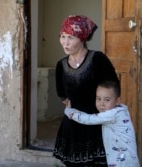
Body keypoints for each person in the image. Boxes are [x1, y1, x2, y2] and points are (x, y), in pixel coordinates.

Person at [53, 15, 120, 167]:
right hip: (73, 123)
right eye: (62, 36)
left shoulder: (98, 59)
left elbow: (113, 87)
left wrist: (102, 107)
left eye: (71, 37)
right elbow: (62, 95)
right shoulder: (61, 65)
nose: (65, 42)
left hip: (97, 123)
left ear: (82, 38)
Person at [64, 81, 140, 167]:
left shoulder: (112, 114)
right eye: (98, 99)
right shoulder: (120, 110)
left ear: (117, 101)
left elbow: (88, 119)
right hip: (126, 160)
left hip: (123, 162)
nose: (101, 104)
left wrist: (69, 111)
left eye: (107, 100)